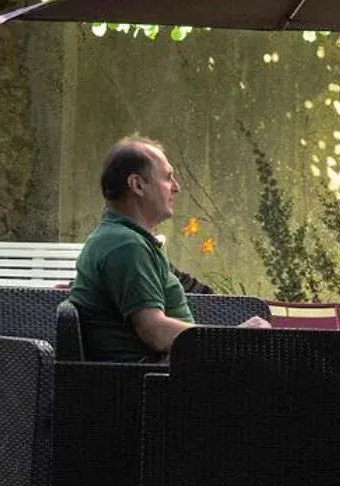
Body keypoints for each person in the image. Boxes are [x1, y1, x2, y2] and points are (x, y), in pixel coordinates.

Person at [67, 137, 268, 361]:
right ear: (137, 185)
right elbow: (155, 332)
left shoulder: (119, 238)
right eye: (168, 177)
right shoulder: (126, 246)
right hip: (151, 385)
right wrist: (233, 339)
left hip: (164, 376)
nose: (177, 187)